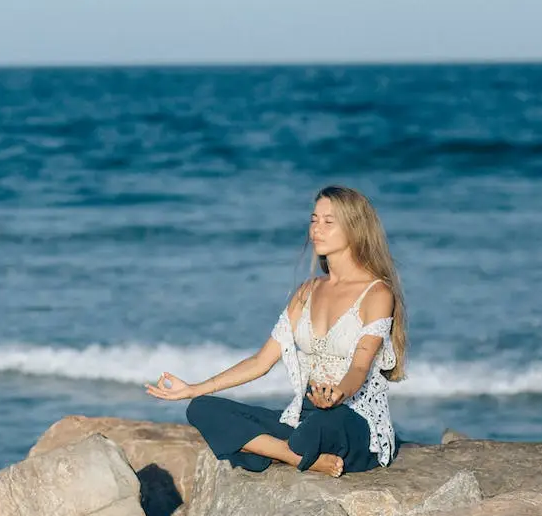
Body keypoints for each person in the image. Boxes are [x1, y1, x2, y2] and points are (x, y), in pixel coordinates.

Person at [144, 185, 407, 477]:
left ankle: (275, 449)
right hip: (306, 415)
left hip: (353, 418)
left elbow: (360, 366)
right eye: (314, 219)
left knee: (311, 433)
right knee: (201, 409)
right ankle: (297, 457)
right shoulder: (307, 292)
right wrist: (194, 388)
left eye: (328, 222)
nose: (316, 229)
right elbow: (261, 362)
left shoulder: (377, 293)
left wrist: (337, 394)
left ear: (355, 229)